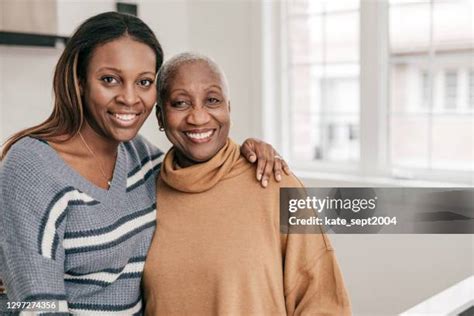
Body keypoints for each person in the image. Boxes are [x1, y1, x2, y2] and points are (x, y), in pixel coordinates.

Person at [0, 12, 288, 314]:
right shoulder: (30, 168)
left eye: (144, 82)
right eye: (110, 80)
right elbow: (36, 307)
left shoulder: (141, 157)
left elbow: (202, 178)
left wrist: (247, 152)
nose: (129, 97)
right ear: (79, 81)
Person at [142, 53, 351, 315]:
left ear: (228, 108)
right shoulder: (143, 191)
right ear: (160, 117)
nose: (198, 117)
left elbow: (322, 302)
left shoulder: (274, 183)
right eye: (181, 103)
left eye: (212, 100)